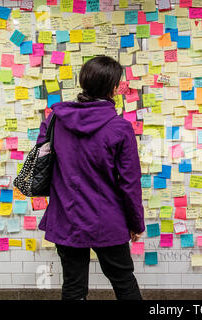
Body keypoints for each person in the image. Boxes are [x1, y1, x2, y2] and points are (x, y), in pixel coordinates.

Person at [36, 56, 145, 300]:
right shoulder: (120, 128)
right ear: (114, 88)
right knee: (124, 282)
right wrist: (136, 222)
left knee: (73, 286)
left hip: (66, 216)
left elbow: (43, 162)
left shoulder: (55, 119)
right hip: (107, 219)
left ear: (83, 82)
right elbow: (129, 183)